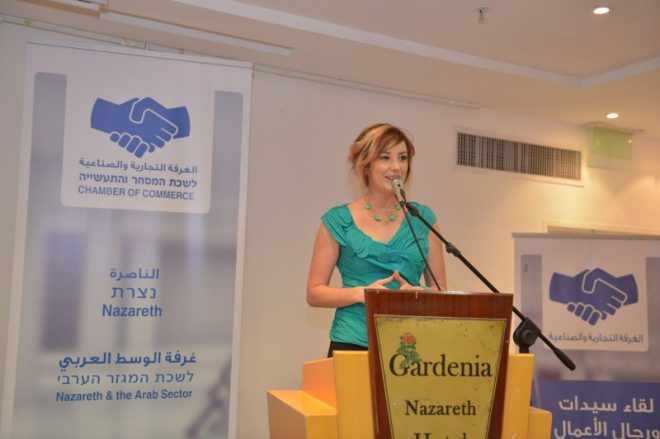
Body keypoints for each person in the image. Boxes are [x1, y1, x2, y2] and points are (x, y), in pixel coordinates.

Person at [306, 123, 447, 357]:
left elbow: (440, 290)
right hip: (352, 342)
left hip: (410, 344)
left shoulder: (423, 219)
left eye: (403, 158)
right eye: (385, 157)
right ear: (366, 165)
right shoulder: (338, 220)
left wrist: (419, 294)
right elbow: (314, 293)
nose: (397, 167)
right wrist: (361, 294)